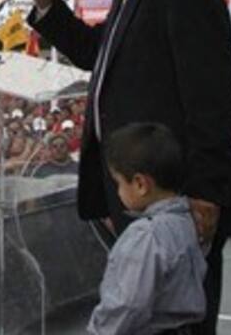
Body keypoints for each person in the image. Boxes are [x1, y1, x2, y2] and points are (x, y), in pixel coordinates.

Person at [23, 0, 231, 334]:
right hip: (141, 194)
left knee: (176, 323)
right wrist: (49, 6)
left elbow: (213, 94)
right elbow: (97, 54)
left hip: (178, 200)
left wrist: (206, 193)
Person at [88, 123, 207, 334]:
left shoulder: (146, 235)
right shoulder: (187, 221)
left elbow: (128, 303)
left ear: (140, 184)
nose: (118, 191)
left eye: (118, 183)